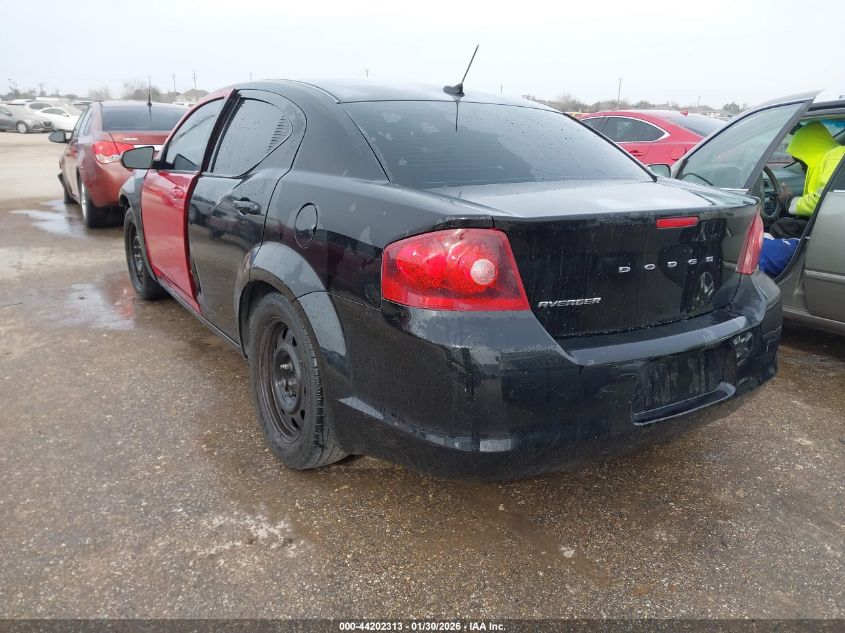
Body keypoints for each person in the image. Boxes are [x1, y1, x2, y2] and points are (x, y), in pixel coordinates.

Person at [759, 122, 845, 277]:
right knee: (781, 226)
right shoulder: (827, 159)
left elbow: (821, 202)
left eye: (800, 160)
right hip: (827, 226)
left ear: (809, 151)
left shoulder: (835, 157)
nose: (800, 166)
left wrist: (788, 202)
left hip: (830, 231)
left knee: (760, 249)